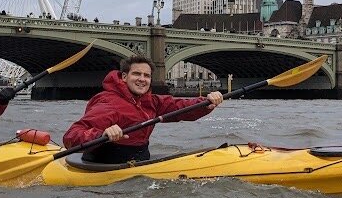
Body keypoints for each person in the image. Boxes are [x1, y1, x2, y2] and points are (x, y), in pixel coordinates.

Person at [63, 55, 223, 164]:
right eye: (137, 74)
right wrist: (101, 134)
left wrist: (206, 103)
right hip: (104, 163)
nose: (142, 79)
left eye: (146, 76)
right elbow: (71, 136)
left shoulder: (150, 101)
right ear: (124, 77)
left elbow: (180, 107)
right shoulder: (108, 103)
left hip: (139, 159)